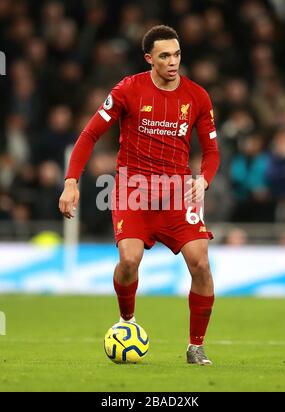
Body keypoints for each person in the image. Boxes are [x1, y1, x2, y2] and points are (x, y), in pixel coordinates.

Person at [59, 25, 220, 365]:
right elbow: (89, 134)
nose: (173, 61)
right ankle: (127, 321)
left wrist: (203, 180)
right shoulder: (128, 90)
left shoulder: (197, 97)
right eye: (164, 56)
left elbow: (212, 152)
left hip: (177, 195)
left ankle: (196, 347)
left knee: (201, 265)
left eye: (176, 54)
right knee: (129, 262)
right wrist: (71, 181)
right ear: (150, 59)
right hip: (133, 191)